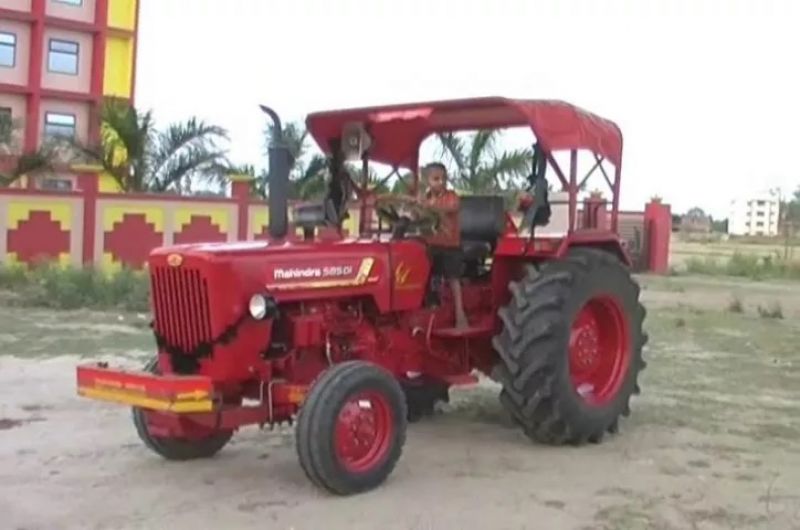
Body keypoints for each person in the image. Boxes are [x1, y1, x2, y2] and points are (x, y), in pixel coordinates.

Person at [419, 162, 469, 330]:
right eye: (435, 179)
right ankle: (430, 308)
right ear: (427, 181)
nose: (440, 182)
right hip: (432, 245)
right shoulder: (425, 198)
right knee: (427, 275)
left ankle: (460, 315)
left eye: (443, 179)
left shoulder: (451, 196)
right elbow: (417, 213)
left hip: (450, 245)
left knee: (453, 278)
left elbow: (451, 207)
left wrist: (430, 206)